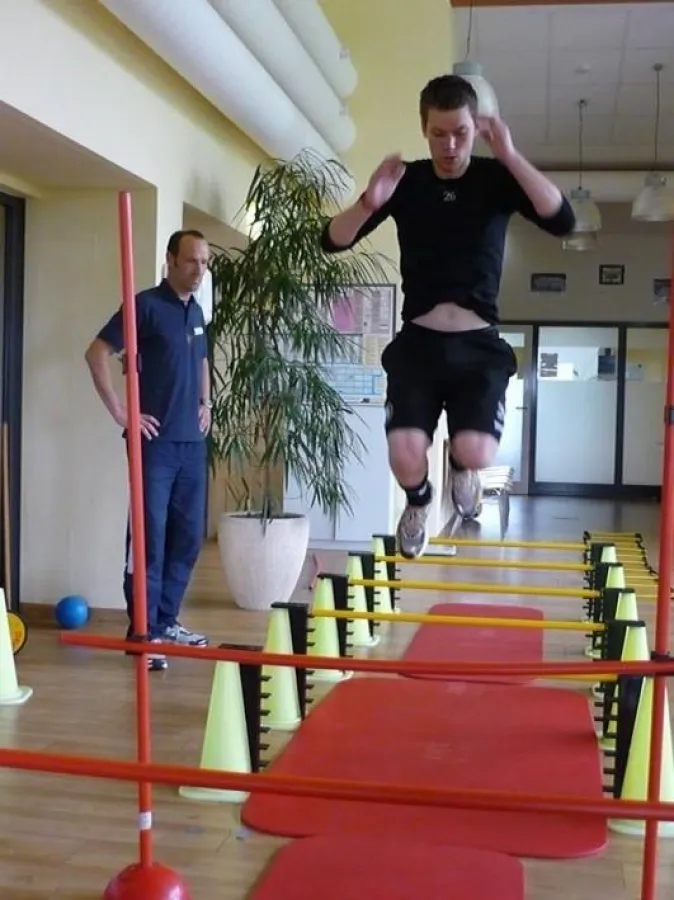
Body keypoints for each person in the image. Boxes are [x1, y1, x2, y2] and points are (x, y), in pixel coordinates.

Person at [320, 74, 576, 559]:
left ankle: (463, 466)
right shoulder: (407, 182)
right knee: (403, 452)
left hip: (479, 346)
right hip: (418, 344)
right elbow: (330, 240)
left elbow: (562, 219)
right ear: (424, 128)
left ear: (475, 128)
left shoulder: (497, 179)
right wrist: (368, 203)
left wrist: (511, 157)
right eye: (438, 133)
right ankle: (419, 500)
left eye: (460, 131)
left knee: (477, 451)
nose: (450, 144)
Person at [85, 229, 212, 670]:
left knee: (188, 538)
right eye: (192, 261)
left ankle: (167, 620)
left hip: (192, 446)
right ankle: (144, 630)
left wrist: (206, 403)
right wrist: (123, 413)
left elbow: (201, 360)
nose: (199, 270)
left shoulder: (196, 312)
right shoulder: (144, 306)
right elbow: (97, 353)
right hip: (153, 446)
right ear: (171, 261)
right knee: (148, 540)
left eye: (205, 262)